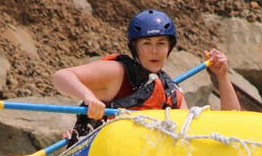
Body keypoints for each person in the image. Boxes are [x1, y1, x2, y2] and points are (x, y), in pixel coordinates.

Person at [51, 8, 239, 142]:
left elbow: (233, 122)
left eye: (161, 43)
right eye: (147, 44)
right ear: (135, 47)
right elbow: (61, 76)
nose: (154, 51)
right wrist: (89, 97)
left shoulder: (171, 92)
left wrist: (222, 77)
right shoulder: (118, 72)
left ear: (169, 48)